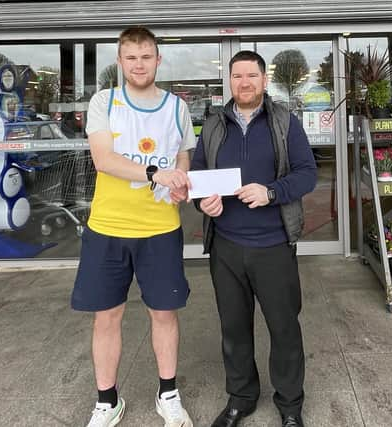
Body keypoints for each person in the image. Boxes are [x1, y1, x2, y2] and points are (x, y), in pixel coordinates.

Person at [71, 26, 196, 427]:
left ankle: (168, 394)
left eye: (147, 56)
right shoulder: (103, 102)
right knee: (106, 316)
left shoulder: (177, 106)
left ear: (158, 60)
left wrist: (179, 184)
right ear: (120, 61)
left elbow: (182, 161)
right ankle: (107, 401)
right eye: (131, 57)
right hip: (107, 227)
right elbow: (104, 160)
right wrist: (155, 173)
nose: (139, 64)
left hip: (160, 229)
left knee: (164, 314)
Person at [190, 51, 317, 427]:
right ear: (229, 81)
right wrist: (203, 203)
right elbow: (198, 174)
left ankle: (290, 405)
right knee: (233, 328)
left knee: (284, 328)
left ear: (264, 80)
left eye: (251, 76)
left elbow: (307, 173)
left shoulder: (283, 122)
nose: (244, 83)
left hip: (273, 244)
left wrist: (271, 192)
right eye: (237, 76)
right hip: (226, 246)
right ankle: (241, 398)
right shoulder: (213, 125)